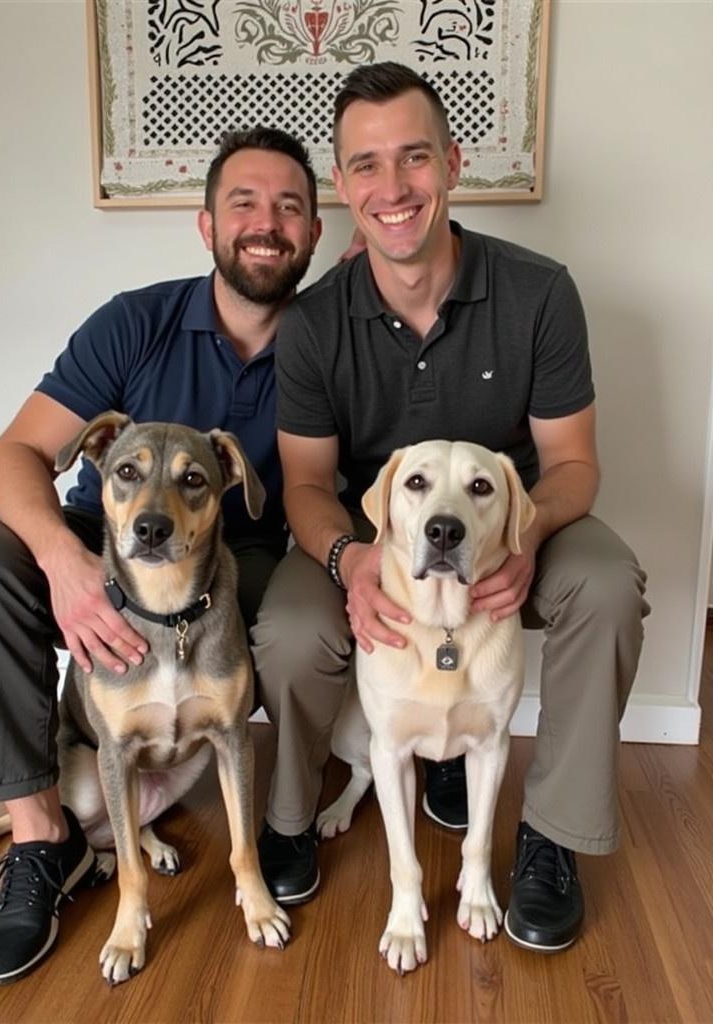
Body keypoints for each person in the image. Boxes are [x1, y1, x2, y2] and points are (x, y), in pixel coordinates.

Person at [252, 63, 649, 953]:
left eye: (414, 158)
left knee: (610, 583)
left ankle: (551, 833)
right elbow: (310, 486)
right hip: (374, 540)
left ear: (454, 163)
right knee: (285, 628)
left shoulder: (540, 292)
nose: (393, 189)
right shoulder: (315, 324)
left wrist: (528, 533)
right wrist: (350, 561)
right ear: (344, 186)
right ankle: (288, 814)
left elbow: (574, 465)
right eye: (366, 166)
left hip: (513, 520)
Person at [0, 126, 322, 985]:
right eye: (244, 203)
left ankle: (285, 824)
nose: (265, 223)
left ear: (312, 231)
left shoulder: (327, 336)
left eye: (288, 206)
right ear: (206, 224)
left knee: (303, 618)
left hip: (248, 546)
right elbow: (13, 456)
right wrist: (65, 565)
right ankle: (43, 838)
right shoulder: (135, 322)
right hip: (96, 542)